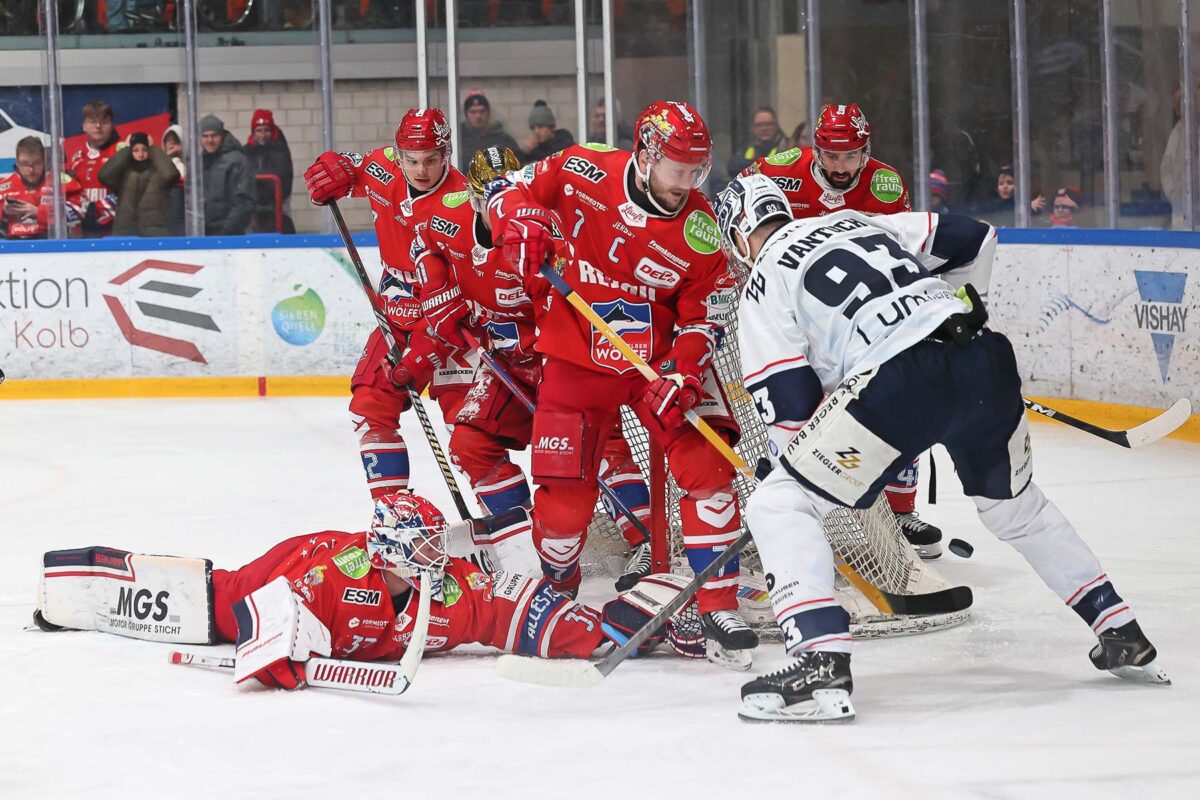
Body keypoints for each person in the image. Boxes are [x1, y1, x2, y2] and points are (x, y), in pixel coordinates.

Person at [716, 174, 1169, 723]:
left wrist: (792, 465)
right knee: (1017, 509)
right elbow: (975, 238)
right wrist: (950, 307)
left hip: (900, 384)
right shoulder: (857, 221)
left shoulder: (763, 278)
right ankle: (1119, 629)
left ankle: (818, 663)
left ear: (738, 239)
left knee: (779, 502)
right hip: (982, 356)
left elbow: (789, 400)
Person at [483, 100, 759, 666]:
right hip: (577, 359)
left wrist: (682, 371)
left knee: (711, 473)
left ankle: (718, 603)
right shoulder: (583, 167)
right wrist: (518, 220)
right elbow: (503, 189)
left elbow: (705, 310)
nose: (687, 182)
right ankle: (557, 584)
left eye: (697, 170)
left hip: (656, 369)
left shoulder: (700, 228)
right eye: (678, 168)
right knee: (563, 506)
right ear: (646, 154)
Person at [33, 492, 704, 690]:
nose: (433, 556)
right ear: (387, 553)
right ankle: (79, 586)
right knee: (211, 606)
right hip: (280, 572)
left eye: (433, 544)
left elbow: (531, 616)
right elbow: (258, 640)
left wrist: (634, 625)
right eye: (420, 549)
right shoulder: (320, 581)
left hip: (334, 591)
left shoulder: (460, 589)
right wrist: (284, 657)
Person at [409, 145, 654, 586]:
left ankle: (646, 542)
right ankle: (525, 538)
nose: (500, 211)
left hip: (565, 360)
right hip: (507, 363)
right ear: (474, 199)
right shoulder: (447, 219)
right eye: (488, 199)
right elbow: (425, 242)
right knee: (470, 444)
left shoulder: (544, 234)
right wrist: (435, 289)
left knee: (600, 449)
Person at [740, 102, 941, 556]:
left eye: (851, 156)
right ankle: (788, 507)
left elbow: (902, 255)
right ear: (815, 150)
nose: (841, 167)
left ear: (865, 150)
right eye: (831, 156)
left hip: (857, 318)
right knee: (797, 413)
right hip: (794, 314)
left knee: (901, 404)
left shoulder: (886, 185)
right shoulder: (779, 170)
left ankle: (900, 514)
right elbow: (738, 208)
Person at [303, 108, 478, 502]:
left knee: (470, 438)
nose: (421, 169)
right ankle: (395, 515)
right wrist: (338, 169)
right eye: (412, 160)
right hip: (397, 314)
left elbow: (474, 286)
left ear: (446, 154)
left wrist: (431, 349)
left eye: (431, 159)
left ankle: (509, 529)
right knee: (370, 407)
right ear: (398, 156)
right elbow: (351, 167)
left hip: (453, 322)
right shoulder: (383, 169)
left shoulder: (464, 201)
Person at [98, 132, 181, 237]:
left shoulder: (158, 173)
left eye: (145, 150)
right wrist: (126, 150)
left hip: (155, 235)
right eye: (135, 150)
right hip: (126, 233)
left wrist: (153, 149)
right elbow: (104, 175)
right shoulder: (124, 174)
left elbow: (171, 175)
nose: (140, 154)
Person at [0, 136, 83, 239]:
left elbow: (80, 212)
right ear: (17, 163)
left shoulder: (60, 180)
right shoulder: (4, 186)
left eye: (36, 163)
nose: (31, 169)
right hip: (14, 246)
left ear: (44, 161)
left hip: (52, 243)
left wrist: (39, 212)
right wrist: (3, 211)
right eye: (25, 164)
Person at [66, 100, 123, 238]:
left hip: (115, 229)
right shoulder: (76, 157)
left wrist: (100, 210)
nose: (98, 126)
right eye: (92, 121)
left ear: (111, 125)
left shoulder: (121, 152)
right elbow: (71, 192)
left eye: (104, 121)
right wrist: (82, 209)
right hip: (83, 229)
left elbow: (128, 190)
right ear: (84, 126)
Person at [198, 114, 255, 236]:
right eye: (205, 136)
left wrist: (226, 232)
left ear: (222, 136)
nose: (210, 140)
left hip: (229, 235)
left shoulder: (238, 161)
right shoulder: (198, 162)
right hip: (203, 234)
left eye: (214, 135)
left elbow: (244, 201)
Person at [242, 109, 295, 234]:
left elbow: (285, 178)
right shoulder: (246, 151)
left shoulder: (280, 151)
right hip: (253, 206)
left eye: (266, 130)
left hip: (277, 204)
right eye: (259, 130)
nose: (262, 135)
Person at [457, 90, 521, 173]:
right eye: (473, 112)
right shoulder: (458, 140)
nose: (478, 116)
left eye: (482, 111)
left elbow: (518, 163)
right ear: (466, 115)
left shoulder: (503, 139)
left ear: (488, 113)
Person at [727, 105, 788, 180]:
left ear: (777, 126)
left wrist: (751, 168)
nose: (764, 128)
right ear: (753, 128)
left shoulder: (787, 146)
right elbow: (732, 168)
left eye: (769, 124)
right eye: (759, 125)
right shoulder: (746, 148)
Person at [978, 164, 1045, 227]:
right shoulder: (992, 206)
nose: (1005, 186)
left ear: (1018, 187)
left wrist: (1030, 208)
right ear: (997, 188)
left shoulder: (1023, 204)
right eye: (1001, 184)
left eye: (1010, 183)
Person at [520, 101, 575, 165]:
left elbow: (551, 159)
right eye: (533, 128)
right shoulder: (538, 147)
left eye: (540, 127)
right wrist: (526, 152)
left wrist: (532, 150)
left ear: (551, 127)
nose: (536, 131)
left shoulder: (564, 142)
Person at [161, 124, 187, 236]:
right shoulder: (158, 164)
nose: (171, 144)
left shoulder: (187, 165)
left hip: (180, 220)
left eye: (175, 141)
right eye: (169, 141)